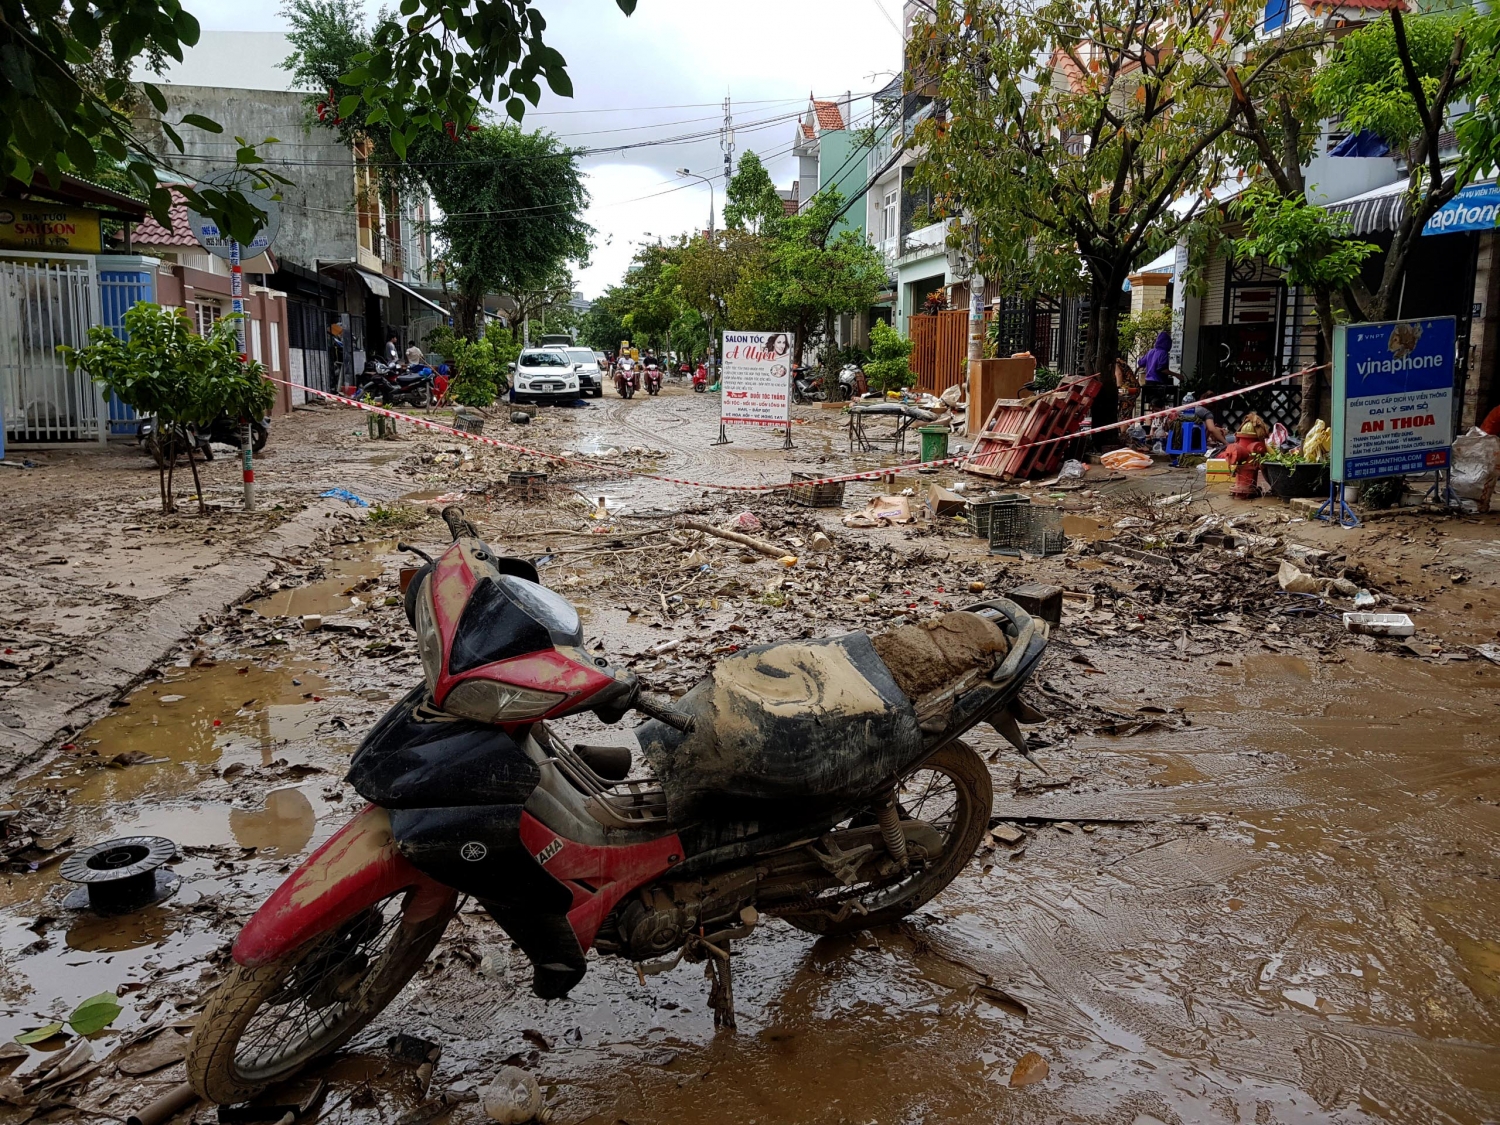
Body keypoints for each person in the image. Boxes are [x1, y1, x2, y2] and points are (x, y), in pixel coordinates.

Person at [1139, 330, 1175, 413]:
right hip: (1159, 383)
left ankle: (1149, 422)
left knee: (1151, 404)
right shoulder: (1163, 353)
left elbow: (1141, 363)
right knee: (1159, 405)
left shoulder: (1150, 352)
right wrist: (1176, 375)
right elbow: (1162, 369)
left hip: (1148, 382)